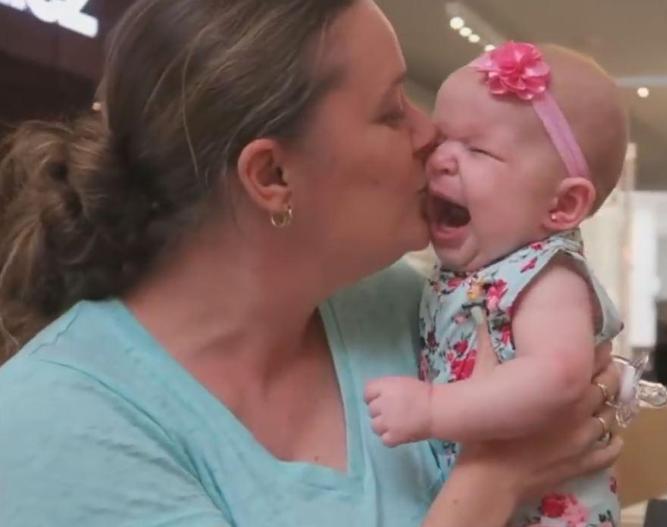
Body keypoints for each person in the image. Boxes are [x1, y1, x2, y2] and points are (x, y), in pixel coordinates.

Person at [0, 1, 623, 525]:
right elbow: (529, 451)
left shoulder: (403, 305)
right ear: (272, 175)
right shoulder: (54, 422)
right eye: (391, 108)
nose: (429, 133)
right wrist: (493, 477)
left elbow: (587, 398)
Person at [364, 42, 629, 527]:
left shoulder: (548, 275)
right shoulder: (466, 275)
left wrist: (433, 408)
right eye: (443, 139)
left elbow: (557, 374)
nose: (440, 158)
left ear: (563, 206)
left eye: (478, 149)